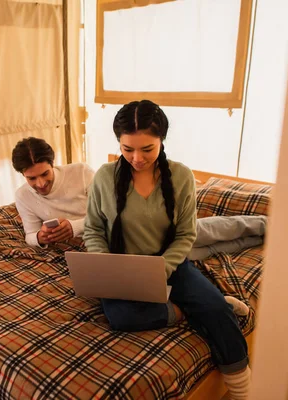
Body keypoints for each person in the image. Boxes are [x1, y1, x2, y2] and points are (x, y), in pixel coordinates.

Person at [83, 100, 251, 400]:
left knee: (217, 312)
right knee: (122, 317)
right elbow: (94, 228)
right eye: (127, 149)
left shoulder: (181, 176)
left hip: (170, 264)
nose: (136, 158)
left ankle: (243, 390)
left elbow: (187, 233)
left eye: (147, 149)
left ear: (162, 141)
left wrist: (163, 267)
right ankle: (186, 309)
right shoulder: (104, 177)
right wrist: (101, 263)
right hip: (121, 268)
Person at [12, 137, 95, 247]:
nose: (40, 184)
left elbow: (108, 215)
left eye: (45, 174)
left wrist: (76, 227)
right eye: (32, 178)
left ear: (52, 164)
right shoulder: (22, 195)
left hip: (98, 234)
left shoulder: (82, 172)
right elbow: (30, 234)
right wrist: (40, 237)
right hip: (65, 247)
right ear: (23, 175)